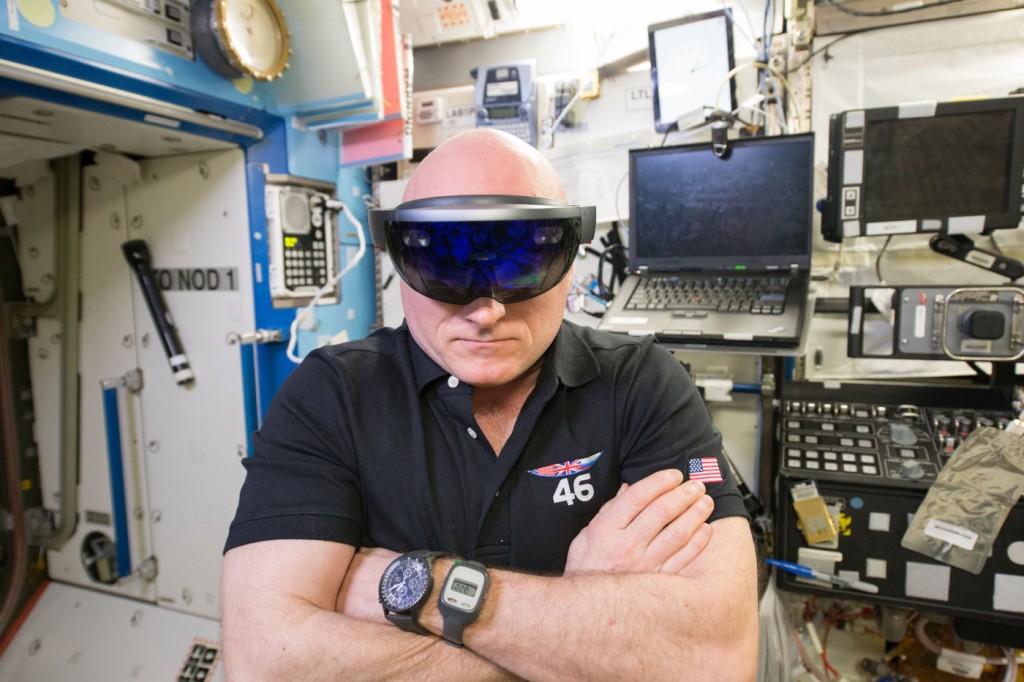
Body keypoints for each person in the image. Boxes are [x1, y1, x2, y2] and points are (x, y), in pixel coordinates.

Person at [221, 128, 758, 681]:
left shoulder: (642, 383)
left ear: (570, 258)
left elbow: (717, 662)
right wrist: (582, 622)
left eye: (522, 265)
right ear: (398, 258)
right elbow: (263, 665)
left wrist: (422, 590)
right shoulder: (331, 395)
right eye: (446, 269)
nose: (487, 312)